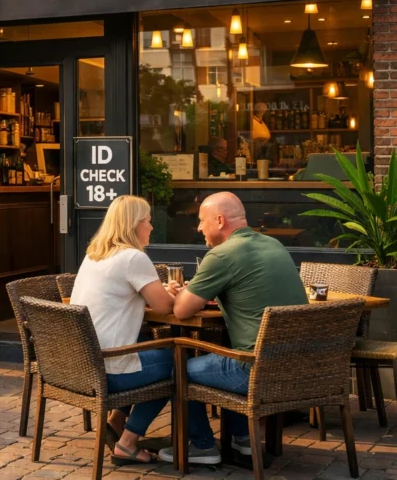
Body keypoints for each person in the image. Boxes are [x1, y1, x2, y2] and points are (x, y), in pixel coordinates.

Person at [157, 192, 308, 466]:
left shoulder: (222, 255)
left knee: (179, 368)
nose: (199, 228)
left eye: (202, 221)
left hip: (253, 369)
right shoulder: (275, 245)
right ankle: (244, 440)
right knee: (229, 352)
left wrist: (181, 291)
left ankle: (203, 447)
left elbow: (180, 311)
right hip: (297, 366)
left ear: (219, 220)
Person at [69, 195, 179, 465]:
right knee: (180, 363)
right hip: (109, 368)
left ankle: (117, 420)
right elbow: (164, 307)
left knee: (149, 343)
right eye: (148, 221)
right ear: (134, 225)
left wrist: (160, 291)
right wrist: (178, 294)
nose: (151, 227)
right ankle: (128, 443)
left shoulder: (94, 254)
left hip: (83, 366)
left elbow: (124, 293)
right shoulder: (133, 258)